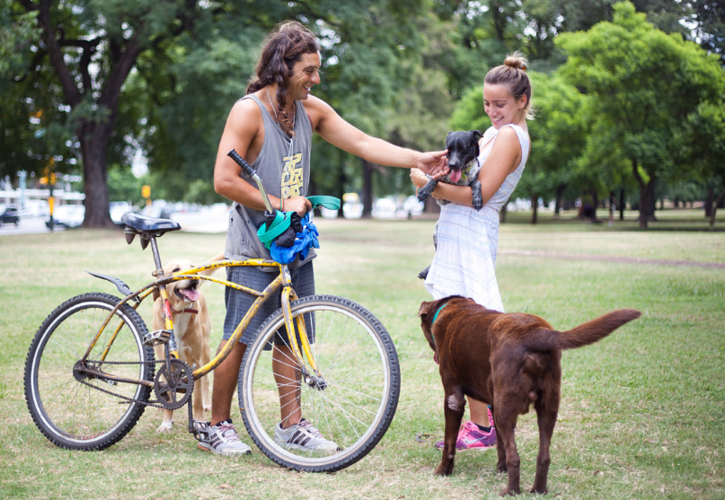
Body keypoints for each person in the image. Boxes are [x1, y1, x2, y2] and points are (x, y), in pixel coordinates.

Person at [200, 20, 448, 456]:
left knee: (294, 334)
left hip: (294, 243)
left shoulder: (310, 110)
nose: (315, 79)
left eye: (318, 71)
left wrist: (419, 158)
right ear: (282, 65)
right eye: (309, 70)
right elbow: (223, 179)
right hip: (253, 245)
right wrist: (279, 203)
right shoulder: (247, 111)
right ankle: (215, 425)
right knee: (239, 337)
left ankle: (291, 425)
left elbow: (364, 143)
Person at [410, 52, 533, 451]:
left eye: (500, 104)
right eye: (487, 104)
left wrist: (425, 183)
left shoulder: (512, 135)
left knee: (472, 335)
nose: (492, 112)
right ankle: (481, 423)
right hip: (460, 234)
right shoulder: (497, 134)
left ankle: (482, 426)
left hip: (473, 234)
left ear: (521, 102)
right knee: (458, 334)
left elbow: (480, 197)